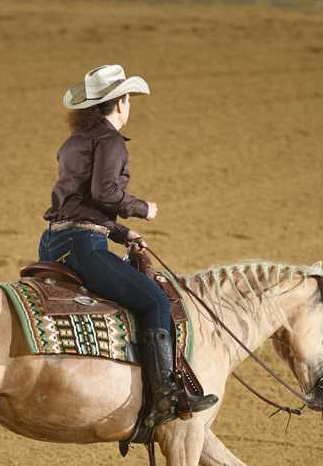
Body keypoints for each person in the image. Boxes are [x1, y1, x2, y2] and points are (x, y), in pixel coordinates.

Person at [39, 64, 218, 428]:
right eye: (128, 99)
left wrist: (122, 234)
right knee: (154, 301)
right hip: (84, 247)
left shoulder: (73, 143)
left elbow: (77, 203)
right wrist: (142, 209)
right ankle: (165, 394)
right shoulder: (109, 141)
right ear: (120, 103)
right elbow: (104, 192)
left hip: (54, 242)